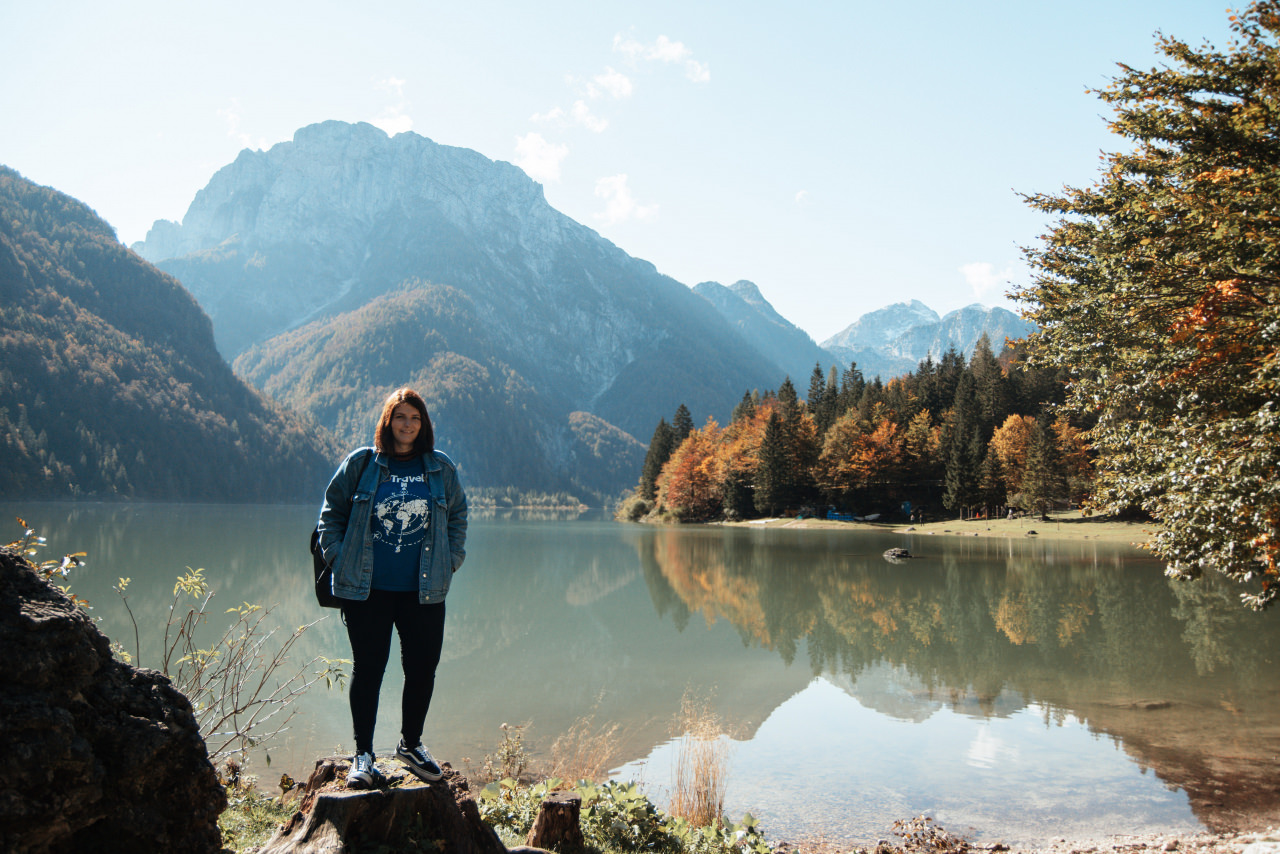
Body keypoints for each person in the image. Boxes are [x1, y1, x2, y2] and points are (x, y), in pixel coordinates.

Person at [316, 387, 468, 789]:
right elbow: (330, 513)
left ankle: (410, 745)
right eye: (401, 416)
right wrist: (337, 555)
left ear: (424, 424)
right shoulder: (362, 464)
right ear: (388, 421)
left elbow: (457, 517)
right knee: (369, 670)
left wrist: (451, 561)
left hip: (425, 591)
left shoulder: (440, 468)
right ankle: (362, 755)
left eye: (415, 418)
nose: (408, 425)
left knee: (422, 670)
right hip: (367, 590)